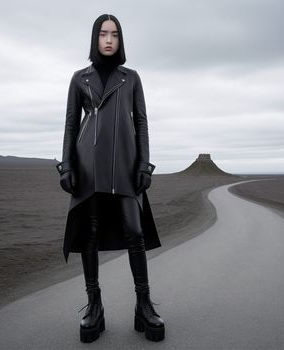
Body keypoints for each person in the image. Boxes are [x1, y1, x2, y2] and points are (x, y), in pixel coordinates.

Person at [55, 14, 165, 343]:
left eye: (114, 34)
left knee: (135, 232)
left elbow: (142, 122)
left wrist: (144, 165)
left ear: (120, 40)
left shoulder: (130, 78)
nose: (108, 39)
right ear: (95, 38)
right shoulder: (79, 79)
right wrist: (69, 167)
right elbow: (71, 125)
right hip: (89, 167)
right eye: (103, 34)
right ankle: (95, 307)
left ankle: (143, 306)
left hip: (126, 167)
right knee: (88, 235)